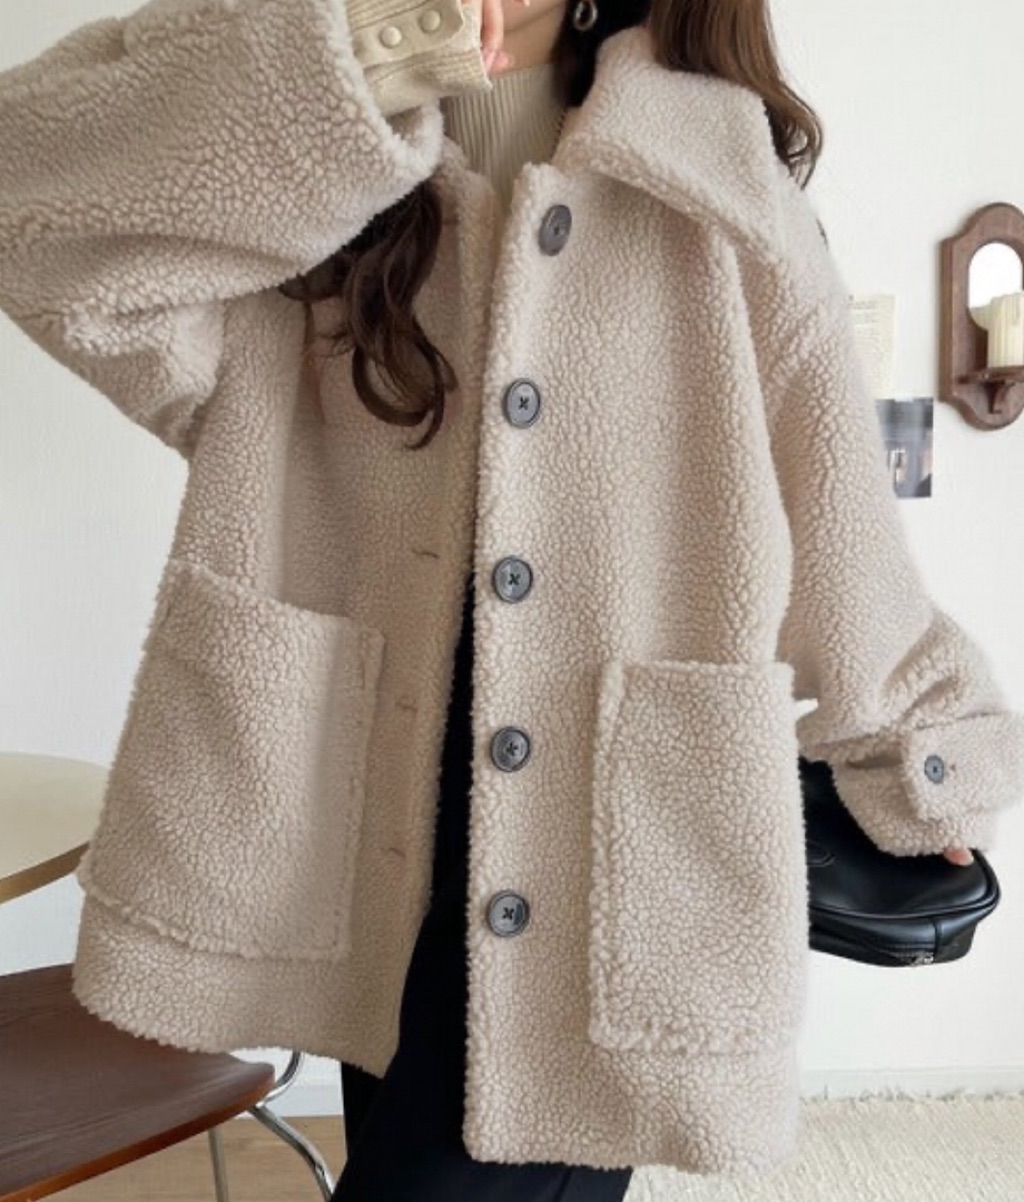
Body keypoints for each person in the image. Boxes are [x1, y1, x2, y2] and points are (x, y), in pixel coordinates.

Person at [2, 0, 1023, 1196]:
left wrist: (915, 743)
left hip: (597, 821)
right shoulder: (297, 163)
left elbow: (833, 498)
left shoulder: (712, 172)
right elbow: (30, 196)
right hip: (360, 792)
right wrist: (380, 47)